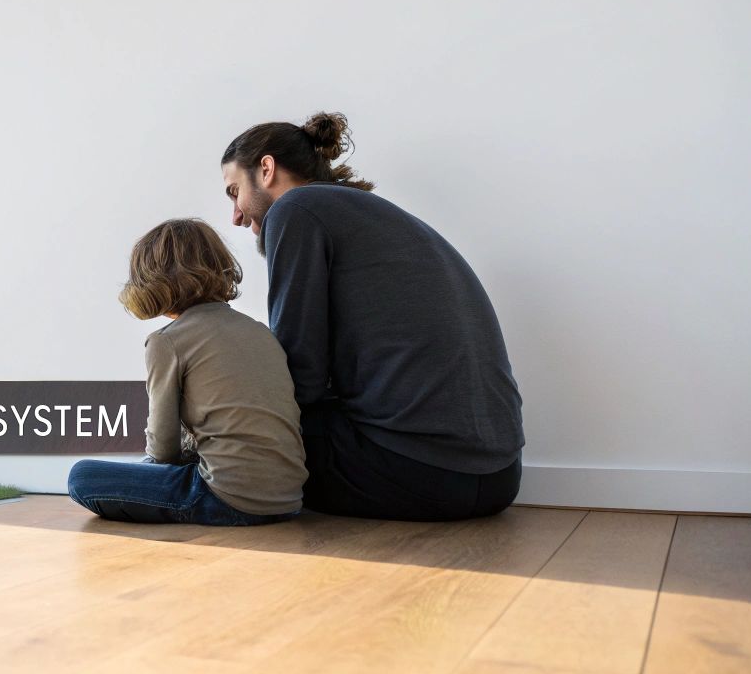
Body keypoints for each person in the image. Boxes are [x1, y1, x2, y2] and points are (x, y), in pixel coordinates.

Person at [220, 112, 525, 521]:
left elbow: (301, 374)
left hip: (419, 472)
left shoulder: (296, 209)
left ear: (267, 169)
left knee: (233, 436)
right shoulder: (370, 213)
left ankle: (126, 482)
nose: (236, 216)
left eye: (234, 191)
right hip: (501, 476)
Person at [66, 219, 307, 526]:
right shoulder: (261, 332)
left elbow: (163, 450)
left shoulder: (167, 340)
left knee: (82, 476)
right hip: (288, 499)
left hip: (228, 499)